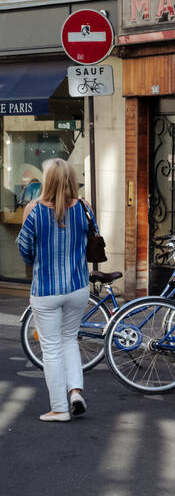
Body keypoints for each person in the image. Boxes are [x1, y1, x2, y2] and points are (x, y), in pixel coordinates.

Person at [16, 159, 91, 422]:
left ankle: (59, 408)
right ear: (72, 179)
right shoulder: (84, 208)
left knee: (51, 348)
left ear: (46, 181)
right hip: (78, 285)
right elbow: (94, 239)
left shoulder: (34, 210)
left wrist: (40, 258)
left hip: (46, 288)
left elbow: (24, 248)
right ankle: (76, 393)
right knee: (69, 339)